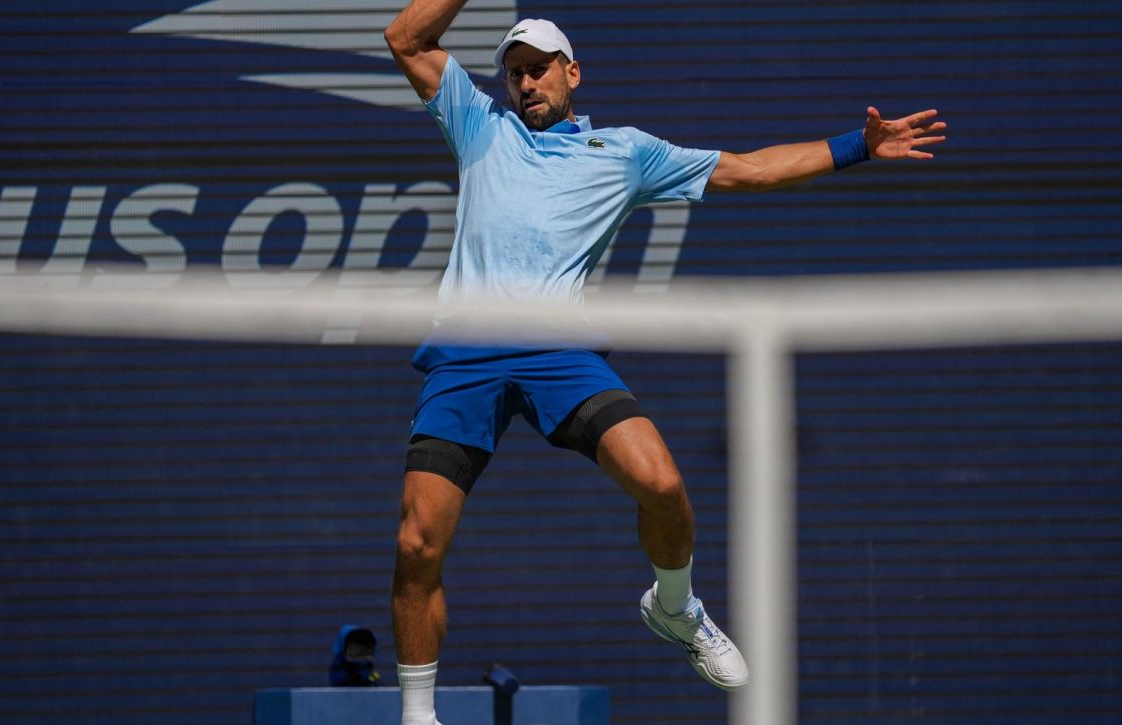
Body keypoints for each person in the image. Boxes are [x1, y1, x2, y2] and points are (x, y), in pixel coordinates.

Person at [383, 3, 946, 723]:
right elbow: (405, 36)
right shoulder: (477, 123)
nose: (525, 83)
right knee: (415, 540)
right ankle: (418, 714)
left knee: (664, 484)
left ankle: (674, 607)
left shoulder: (626, 153)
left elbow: (748, 171)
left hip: (558, 351)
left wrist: (857, 146)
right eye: (515, 72)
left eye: (539, 69)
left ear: (571, 73)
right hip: (466, 354)